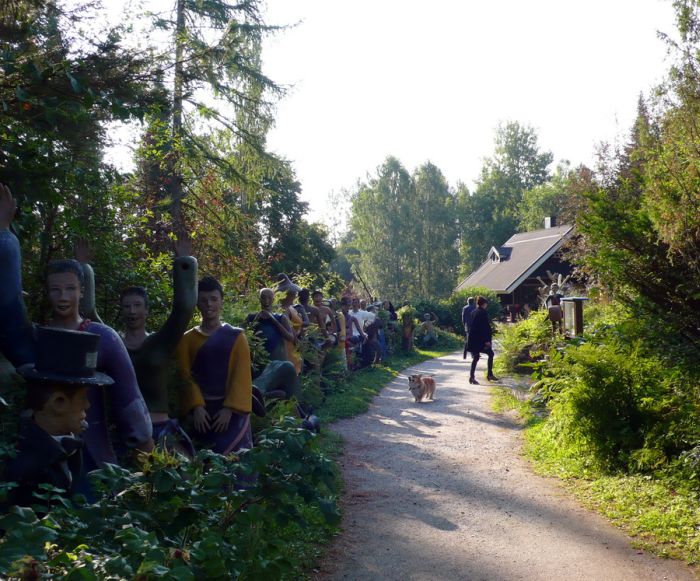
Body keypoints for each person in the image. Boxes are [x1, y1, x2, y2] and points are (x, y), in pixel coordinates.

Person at [0, 183, 153, 470]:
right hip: (43, 462)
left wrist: (151, 464)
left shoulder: (102, 338)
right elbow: (8, 313)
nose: (63, 297)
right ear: (46, 292)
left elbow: (130, 403)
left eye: (70, 289)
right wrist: (5, 236)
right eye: (55, 290)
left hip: (94, 459)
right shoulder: (39, 339)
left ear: (82, 291)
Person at [3, 326, 114, 507]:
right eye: (83, 397)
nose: (88, 404)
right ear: (59, 402)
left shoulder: (70, 441)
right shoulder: (27, 466)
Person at [114, 237, 198, 456]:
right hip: (124, 433)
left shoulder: (159, 343)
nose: (132, 311)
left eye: (137, 306)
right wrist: (82, 268)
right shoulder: (114, 343)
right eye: (127, 307)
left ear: (146, 310)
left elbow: (184, 308)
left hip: (160, 431)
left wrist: (184, 263)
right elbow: (89, 315)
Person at [176, 276, 253, 455]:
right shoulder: (187, 340)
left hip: (229, 413)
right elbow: (184, 375)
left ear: (221, 301)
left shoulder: (237, 337)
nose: (209, 304)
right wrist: (196, 406)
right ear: (197, 304)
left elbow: (241, 376)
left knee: (235, 459)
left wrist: (229, 408)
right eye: (203, 300)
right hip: (200, 413)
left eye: (213, 299)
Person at [467, 296, 498, 385]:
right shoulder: (482, 313)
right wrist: (486, 340)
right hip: (480, 340)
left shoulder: (474, 312)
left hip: (473, 339)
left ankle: (472, 377)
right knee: (491, 354)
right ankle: (489, 374)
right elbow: (483, 328)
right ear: (484, 304)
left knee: (476, 357)